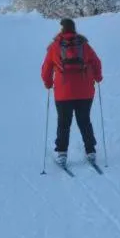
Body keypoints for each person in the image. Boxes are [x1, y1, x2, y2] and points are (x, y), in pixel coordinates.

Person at [40, 18, 103, 166]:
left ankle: (62, 153)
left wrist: (48, 83)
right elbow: (96, 62)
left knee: (63, 123)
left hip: (63, 93)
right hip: (85, 92)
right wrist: (98, 77)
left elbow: (46, 68)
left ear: (61, 29)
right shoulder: (84, 45)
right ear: (74, 29)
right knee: (84, 121)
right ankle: (91, 151)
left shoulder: (55, 47)